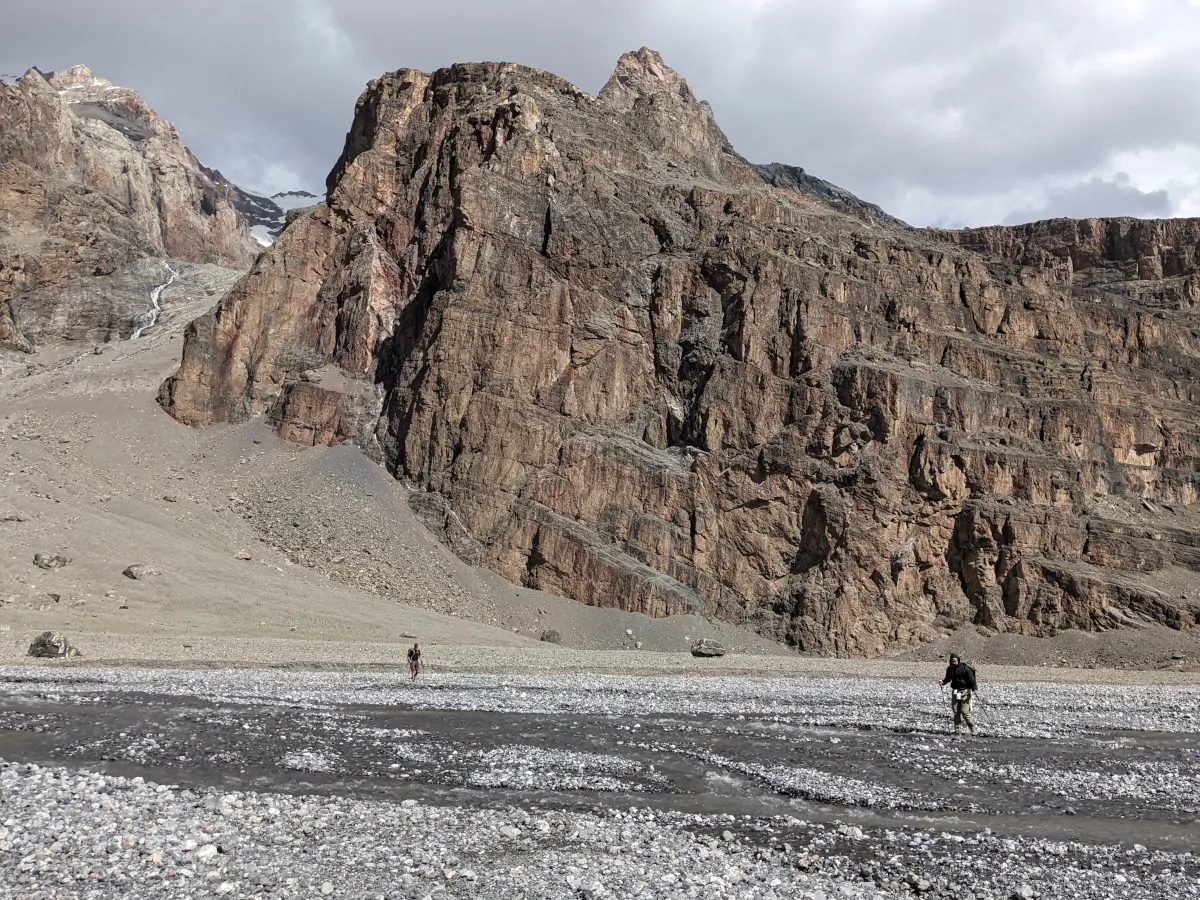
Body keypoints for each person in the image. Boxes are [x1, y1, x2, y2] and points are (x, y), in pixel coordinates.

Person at [939, 652, 977, 736]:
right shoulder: (950, 669)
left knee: (965, 712)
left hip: (965, 692)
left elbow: (972, 679)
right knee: (956, 712)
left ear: (958, 661)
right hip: (956, 692)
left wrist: (974, 689)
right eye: (952, 661)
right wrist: (943, 682)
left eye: (955, 661)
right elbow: (948, 678)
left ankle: (973, 729)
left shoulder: (965, 668)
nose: (954, 662)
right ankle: (957, 730)